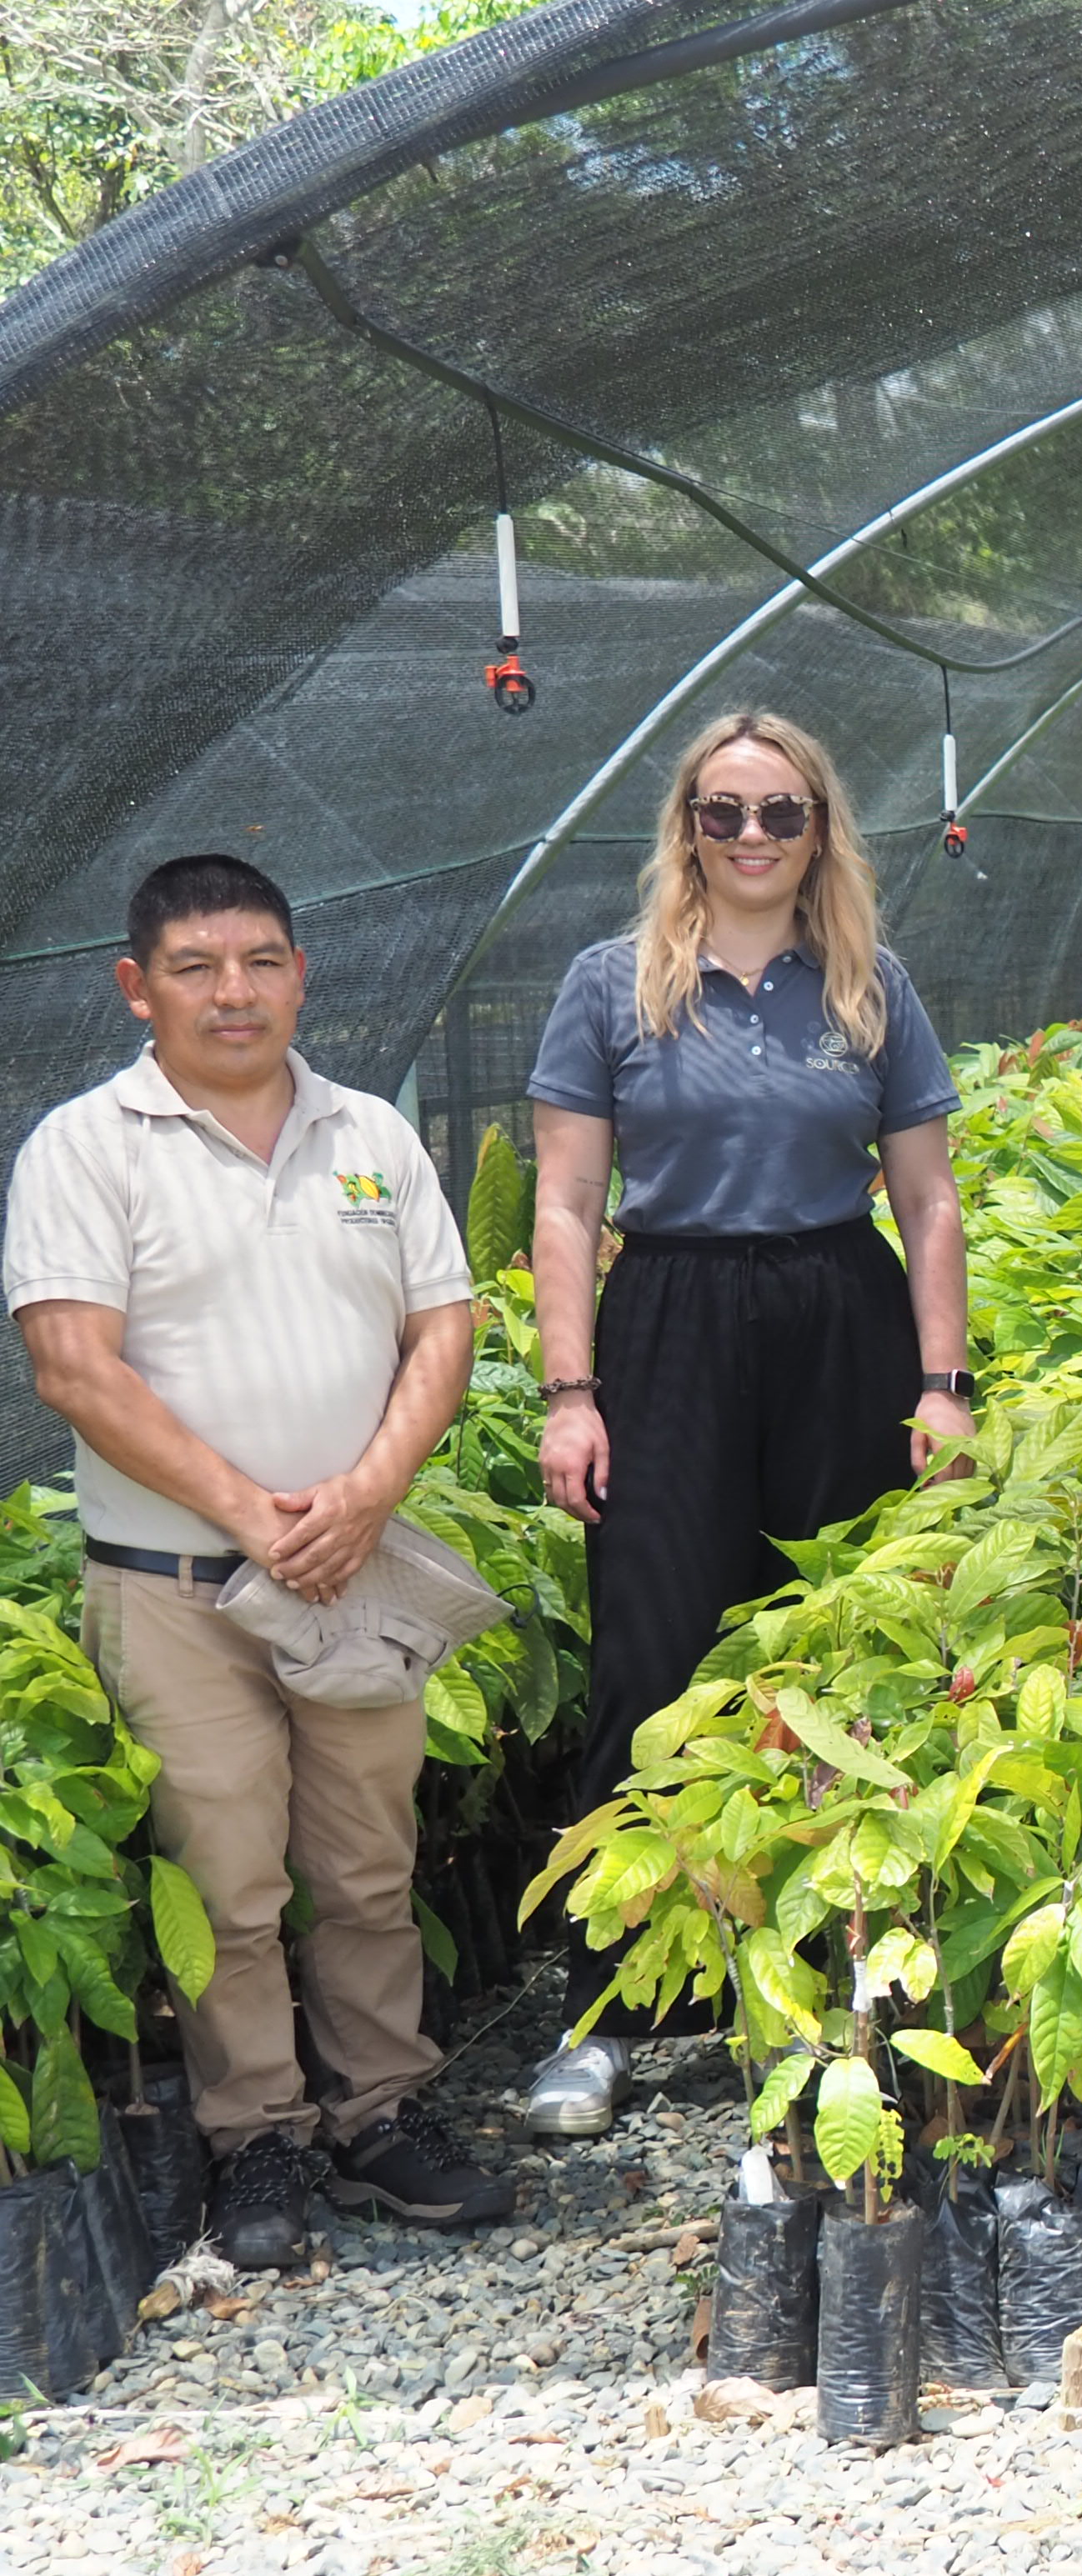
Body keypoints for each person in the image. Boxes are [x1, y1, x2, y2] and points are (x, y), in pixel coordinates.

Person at [5, 856, 511, 2271]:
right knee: (224, 1879)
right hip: (176, 1589)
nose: (234, 992)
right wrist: (253, 1510)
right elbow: (73, 1370)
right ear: (135, 986)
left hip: (351, 1564)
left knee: (367, 1860)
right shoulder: (88, 1146)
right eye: (197, 967)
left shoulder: (370, 1136)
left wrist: (365, 1493)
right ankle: (258, 2140)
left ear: (301, 974)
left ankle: (383, 2117)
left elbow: (445, 1328)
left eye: (262, 961)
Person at [519, 711, 975, 2138]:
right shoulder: (614, 988)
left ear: (821, 829)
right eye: (726, 814)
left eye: (783, 813)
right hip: (671, 1320)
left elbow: (932, 1200)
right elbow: (563, 1208)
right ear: (688, 831)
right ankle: (605, 2010)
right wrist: (571, 1394)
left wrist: (943, 1384)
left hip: (843, 1311)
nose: (755, 838)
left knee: (838, 1645)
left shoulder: (868, 986)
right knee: (651, 1648)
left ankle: (836, 1991)